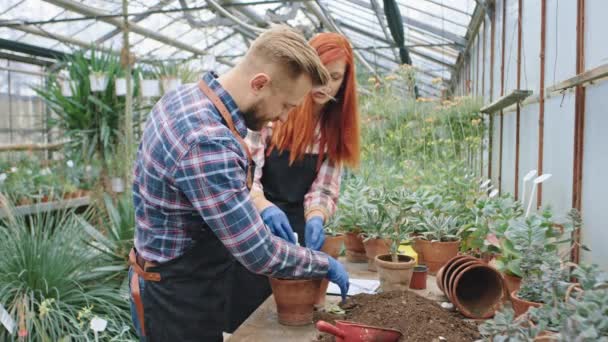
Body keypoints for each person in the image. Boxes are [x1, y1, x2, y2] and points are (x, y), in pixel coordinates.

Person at [128, 26, 350, 342]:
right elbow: (259, 253)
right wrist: (322, 263)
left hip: (169, 279)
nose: (284, 118)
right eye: (286, 106)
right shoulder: (207, 141)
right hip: (177, 300)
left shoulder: (186, 97)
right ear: (260, 83)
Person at [225, 32, 360, 332]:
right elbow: (246, 174)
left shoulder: (334, 127)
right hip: (257, 221)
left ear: (346, 81)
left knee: (291, 316)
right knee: (250, 315)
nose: (325, 85)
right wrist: (263, 206)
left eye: (335, 77)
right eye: (321, 75)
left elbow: (324, 186)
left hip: (296, 229)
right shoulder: (276, 109)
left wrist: (316, 216)